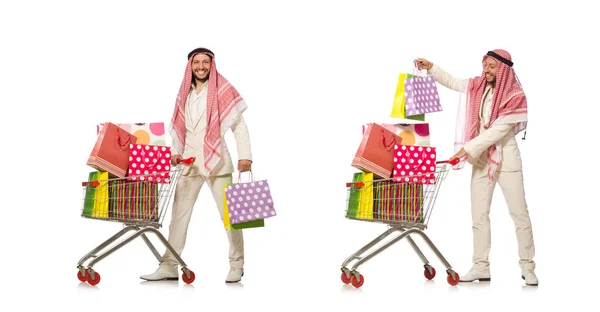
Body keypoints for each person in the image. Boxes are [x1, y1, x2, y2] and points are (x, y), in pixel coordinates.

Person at [414, 49, 538, 286]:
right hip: (482, 160)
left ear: (503, 69)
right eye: (486, 65)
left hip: (506, 161)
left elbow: (497, 132)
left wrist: (466, 149)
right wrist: (431, 68)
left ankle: (528, 266)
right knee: (478, 215)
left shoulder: (515, 95)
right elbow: (454, 82)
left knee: (519, 215)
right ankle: (481, 266)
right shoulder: (479, 86)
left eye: (492, 67)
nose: (487, 70)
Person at [141, 47, 253, 283]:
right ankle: (169, 265)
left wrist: (246, 156)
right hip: (189, 163)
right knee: (178, 217)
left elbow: (239, 126)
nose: (201, 67)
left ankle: (237, 264)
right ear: (190, 66)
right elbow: (179, 129)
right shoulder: (185, 93)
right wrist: (175, 152)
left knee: (230, 216)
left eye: (205, 63)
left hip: (217, 161)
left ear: (212, 65)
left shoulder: (222, 90)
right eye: (196, 63)